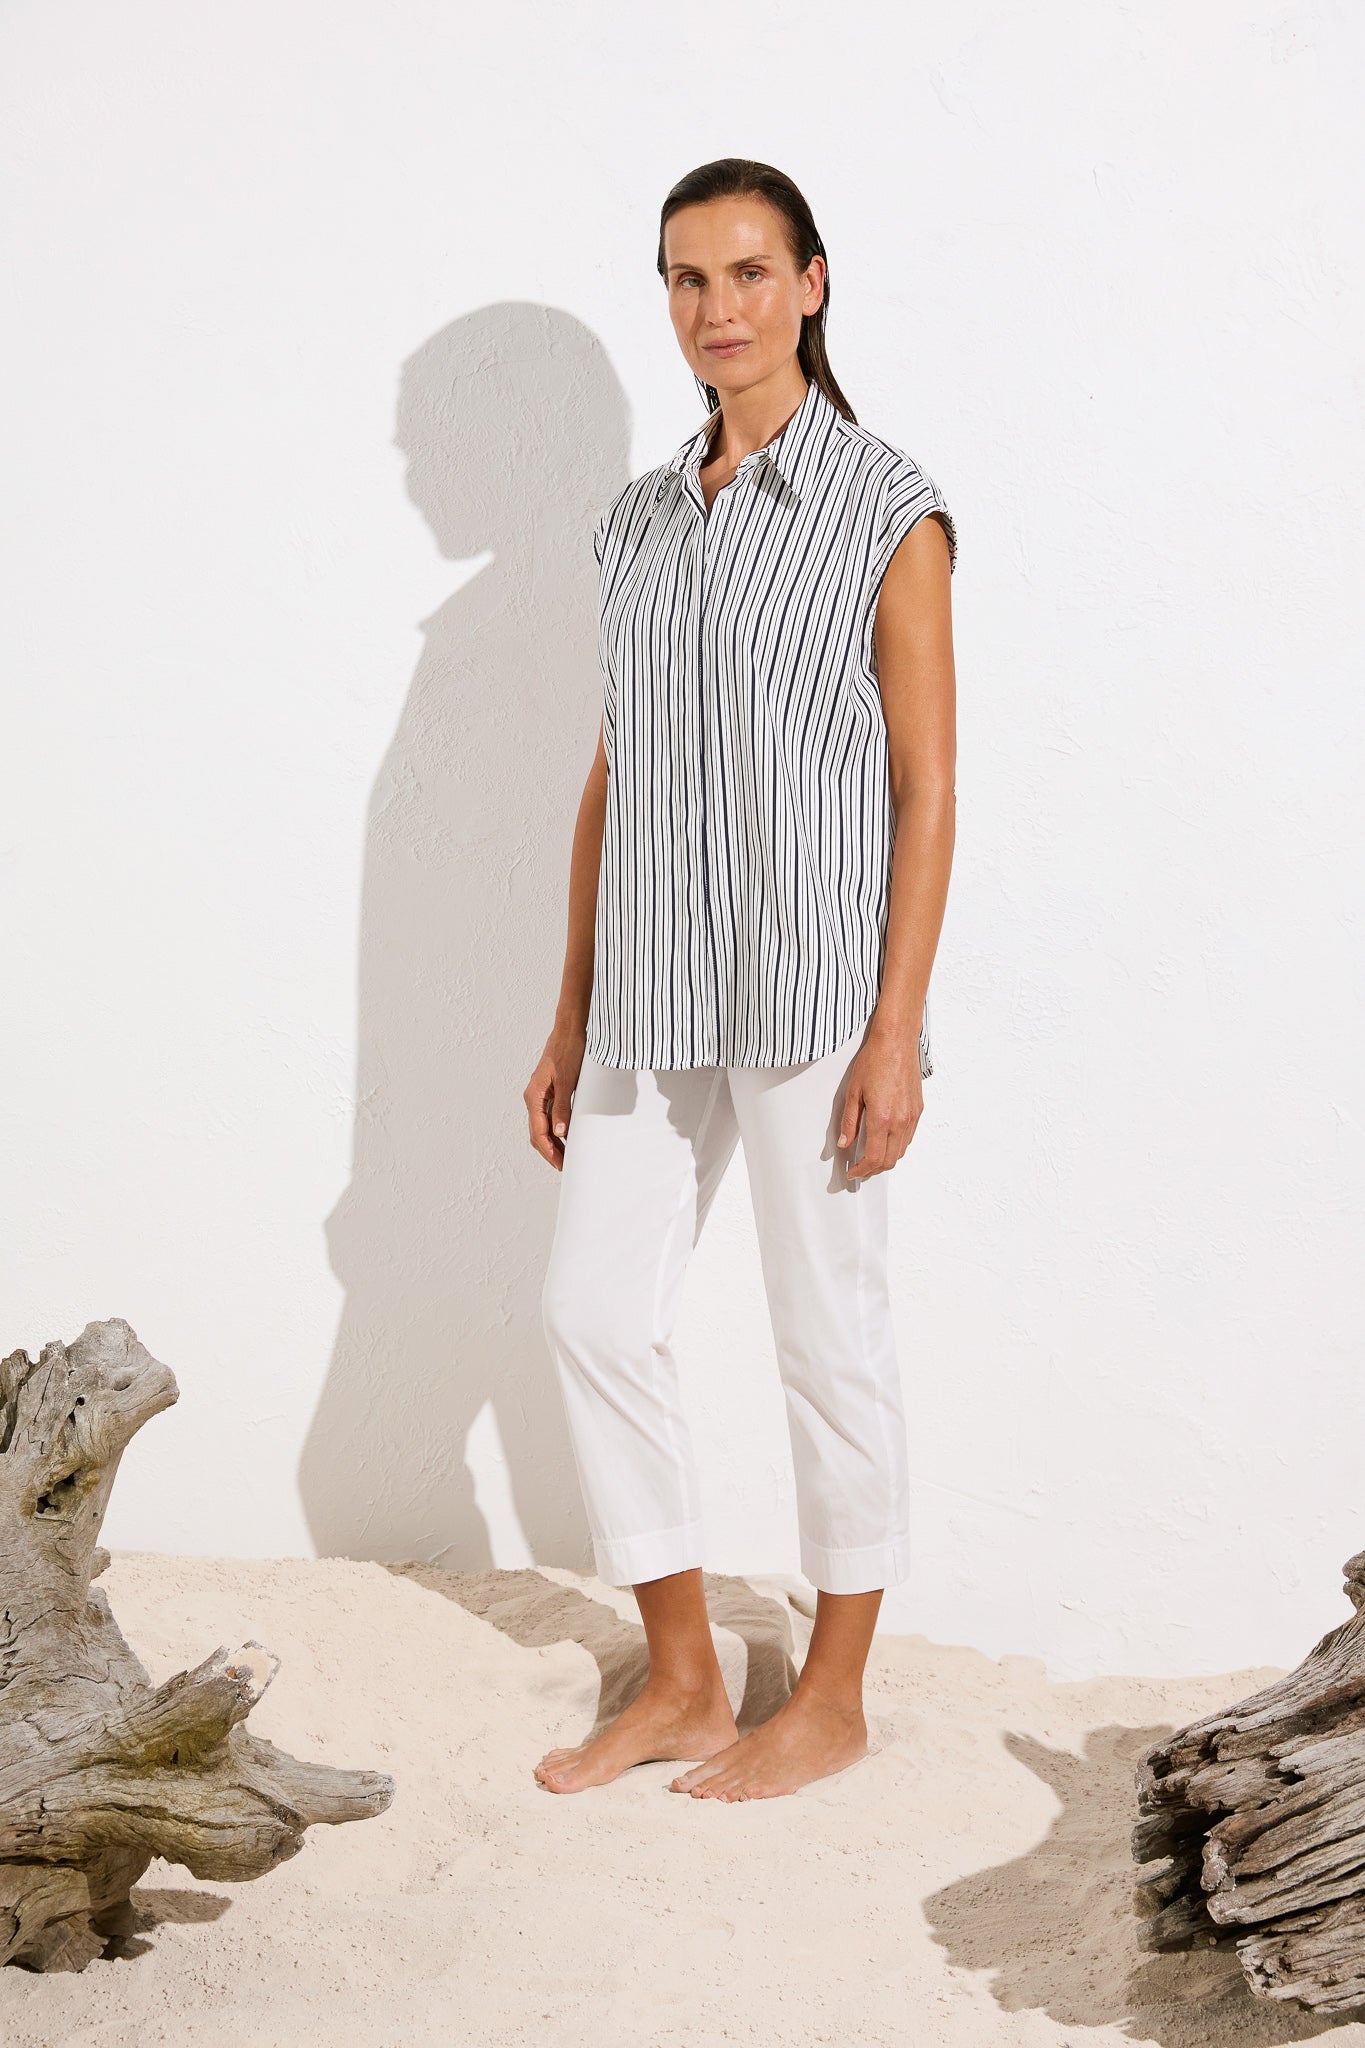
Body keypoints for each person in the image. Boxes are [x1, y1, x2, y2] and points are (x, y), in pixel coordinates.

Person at [524, 157, 957, 1800]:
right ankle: (687, 1680)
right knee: (589, 1311)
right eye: (686, 278)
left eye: (748, 273)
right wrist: (569, 1006)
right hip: (647, 988)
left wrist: (895, 1027)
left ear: (811, 284)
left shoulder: (886, 505)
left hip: (812, 986)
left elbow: (925, 782)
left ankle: (831, 1698)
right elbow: (613, 773)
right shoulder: (635, 522)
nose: (717, 308)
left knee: (825, 1334)